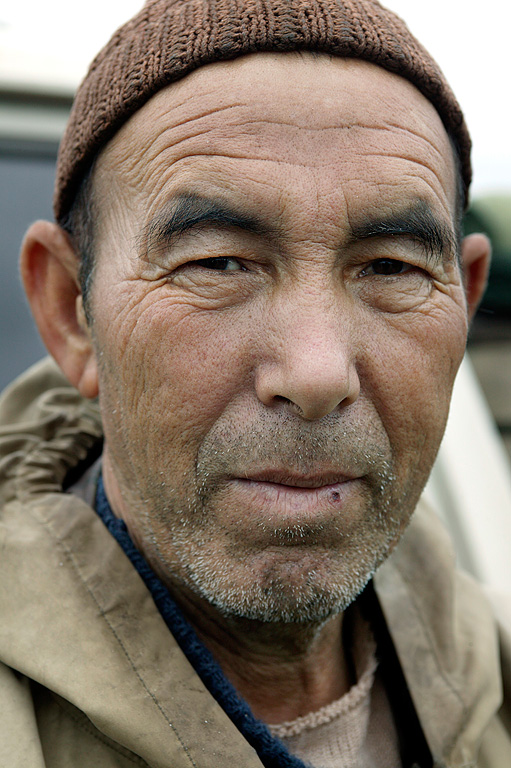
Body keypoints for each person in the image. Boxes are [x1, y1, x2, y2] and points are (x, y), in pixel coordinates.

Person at [0, 0, 509, 765]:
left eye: (390, 269)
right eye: (217, 263)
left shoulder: (490, 675)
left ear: (463, 304)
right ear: (72, 313)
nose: (315, 374)